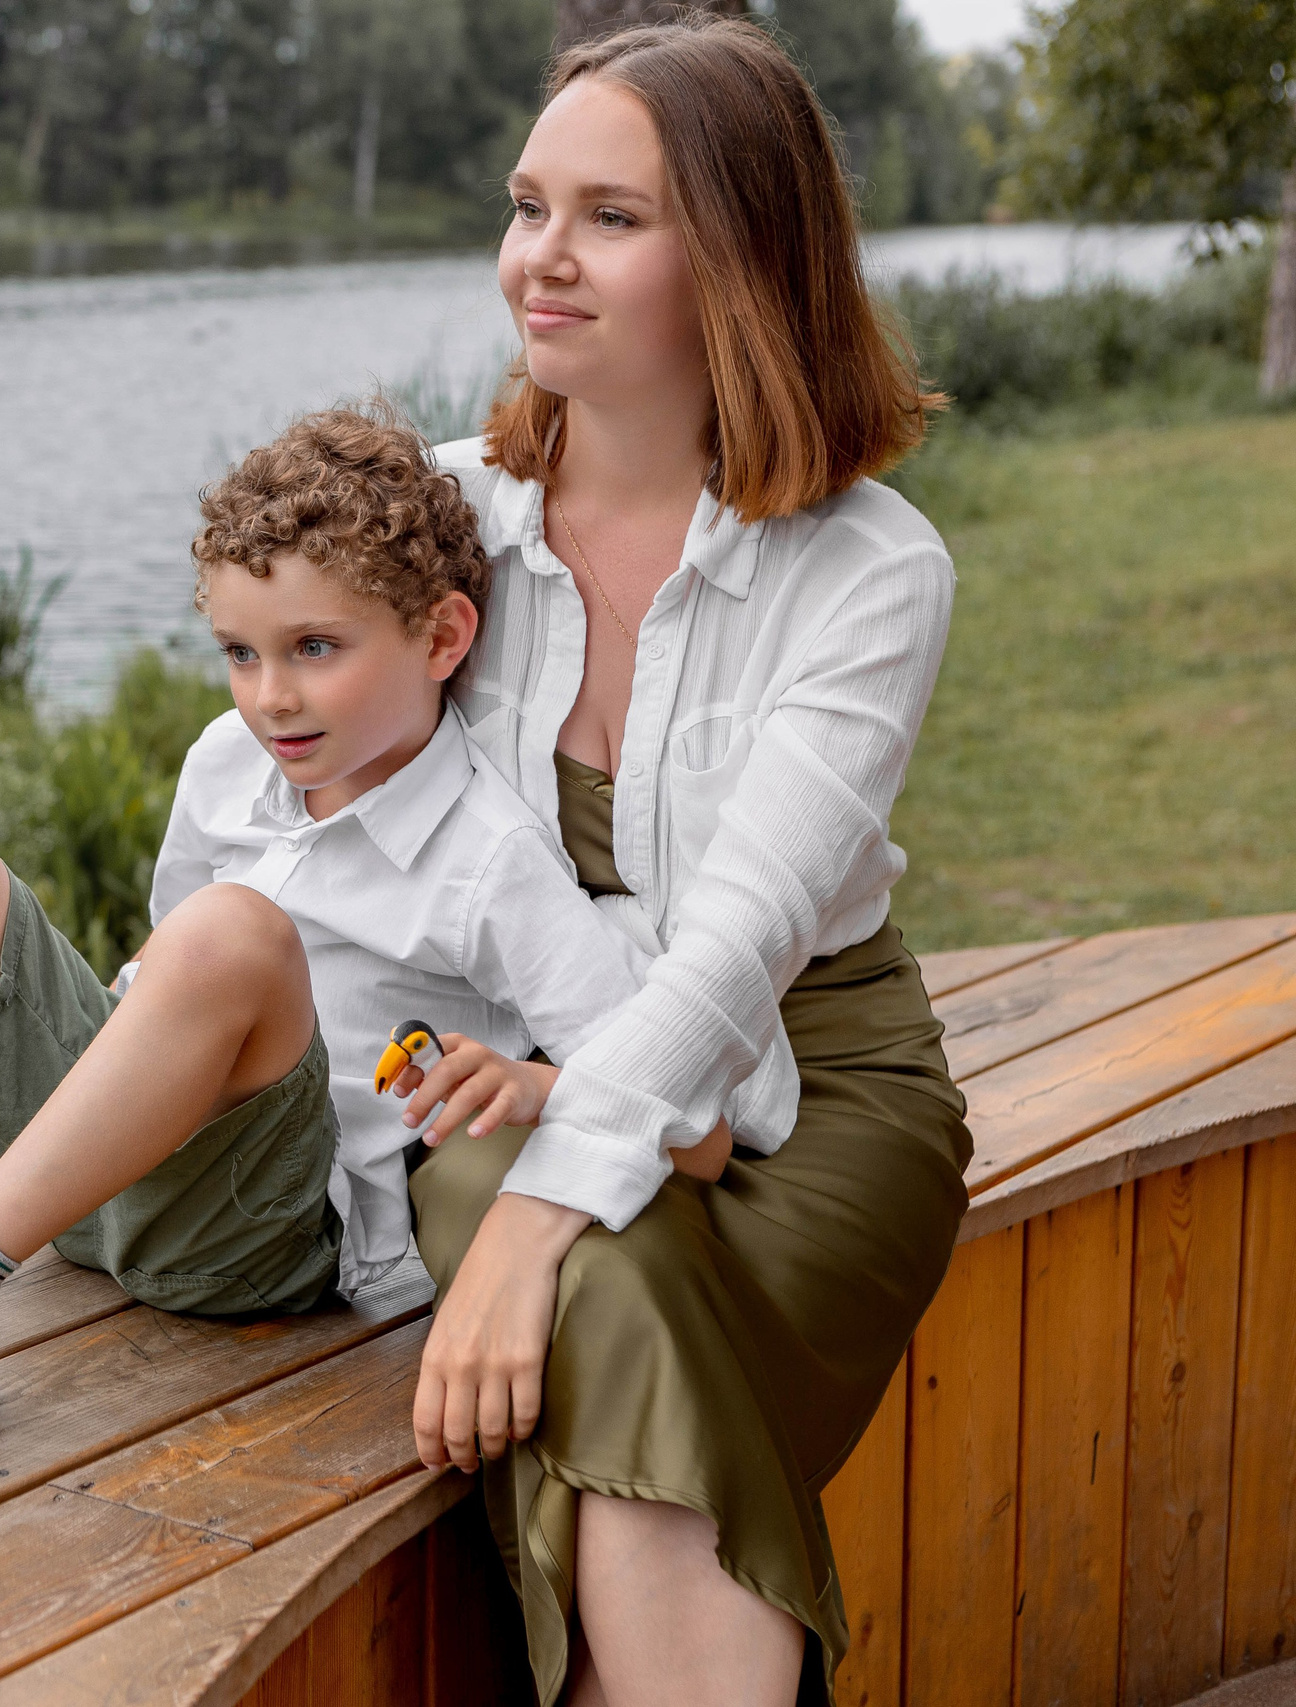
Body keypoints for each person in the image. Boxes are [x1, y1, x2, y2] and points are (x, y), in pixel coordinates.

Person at [0, 400, 788, 1476]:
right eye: (238, 651)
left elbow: (696, 1127)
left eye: (315, 650)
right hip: (113, 1179)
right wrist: (58, 1159)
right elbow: (149, 988)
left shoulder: (487, 859)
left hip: (259, 1236)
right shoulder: (226, 765)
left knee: (232, 935)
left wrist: (530, 1085)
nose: (268, 696)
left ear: (442, 636)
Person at [404, 17, 971, 1707]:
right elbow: (283, 790)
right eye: (526, 205)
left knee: (555, 1242)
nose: (539, 262)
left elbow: (733, 957)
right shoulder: (448, 515)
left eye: (609, 217)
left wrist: (520, 1240)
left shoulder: (869, 569)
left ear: (744, 256)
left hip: (816, 1099)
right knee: (549, 1213)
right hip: (526, 1085)